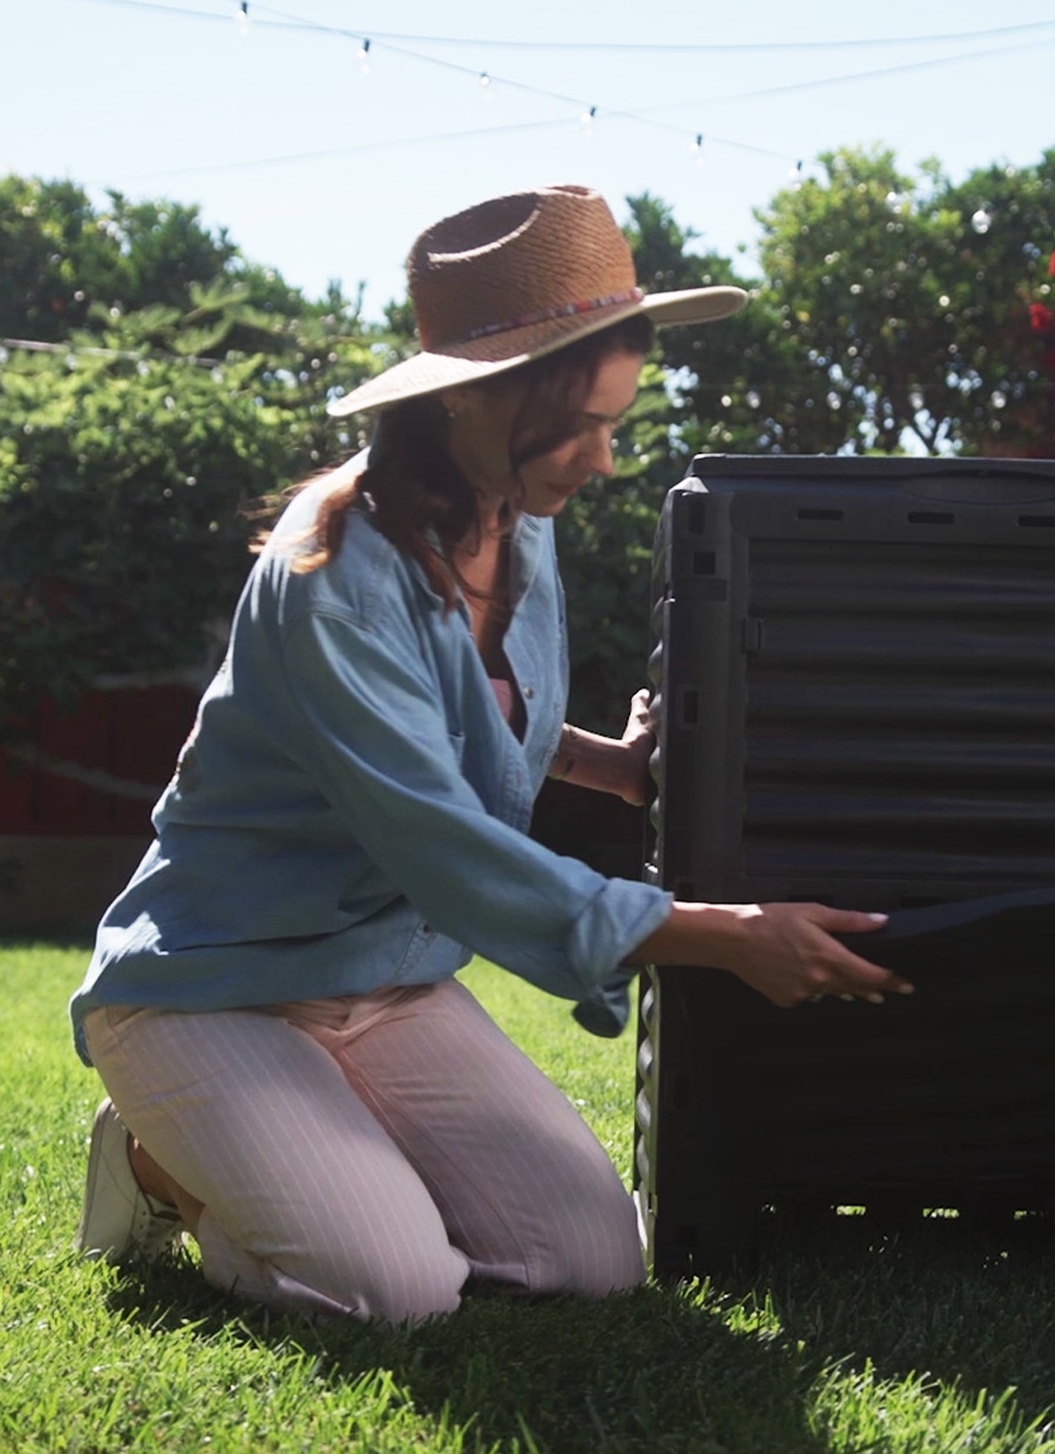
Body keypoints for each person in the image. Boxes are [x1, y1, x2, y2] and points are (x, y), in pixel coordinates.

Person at [68, 184, 912, 1325]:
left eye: (618, 420)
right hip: (216, 980)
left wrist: (611, 765)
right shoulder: (331, 574)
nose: (605, 460)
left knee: (590, 1259)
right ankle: (156, 1162)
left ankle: (309, 1146)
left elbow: (469, 718)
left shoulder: (524, 523)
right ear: (471, 400)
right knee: (396, 1289)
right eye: (580, 425)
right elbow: (440, 839)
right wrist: (722, 937)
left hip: (386, 977)